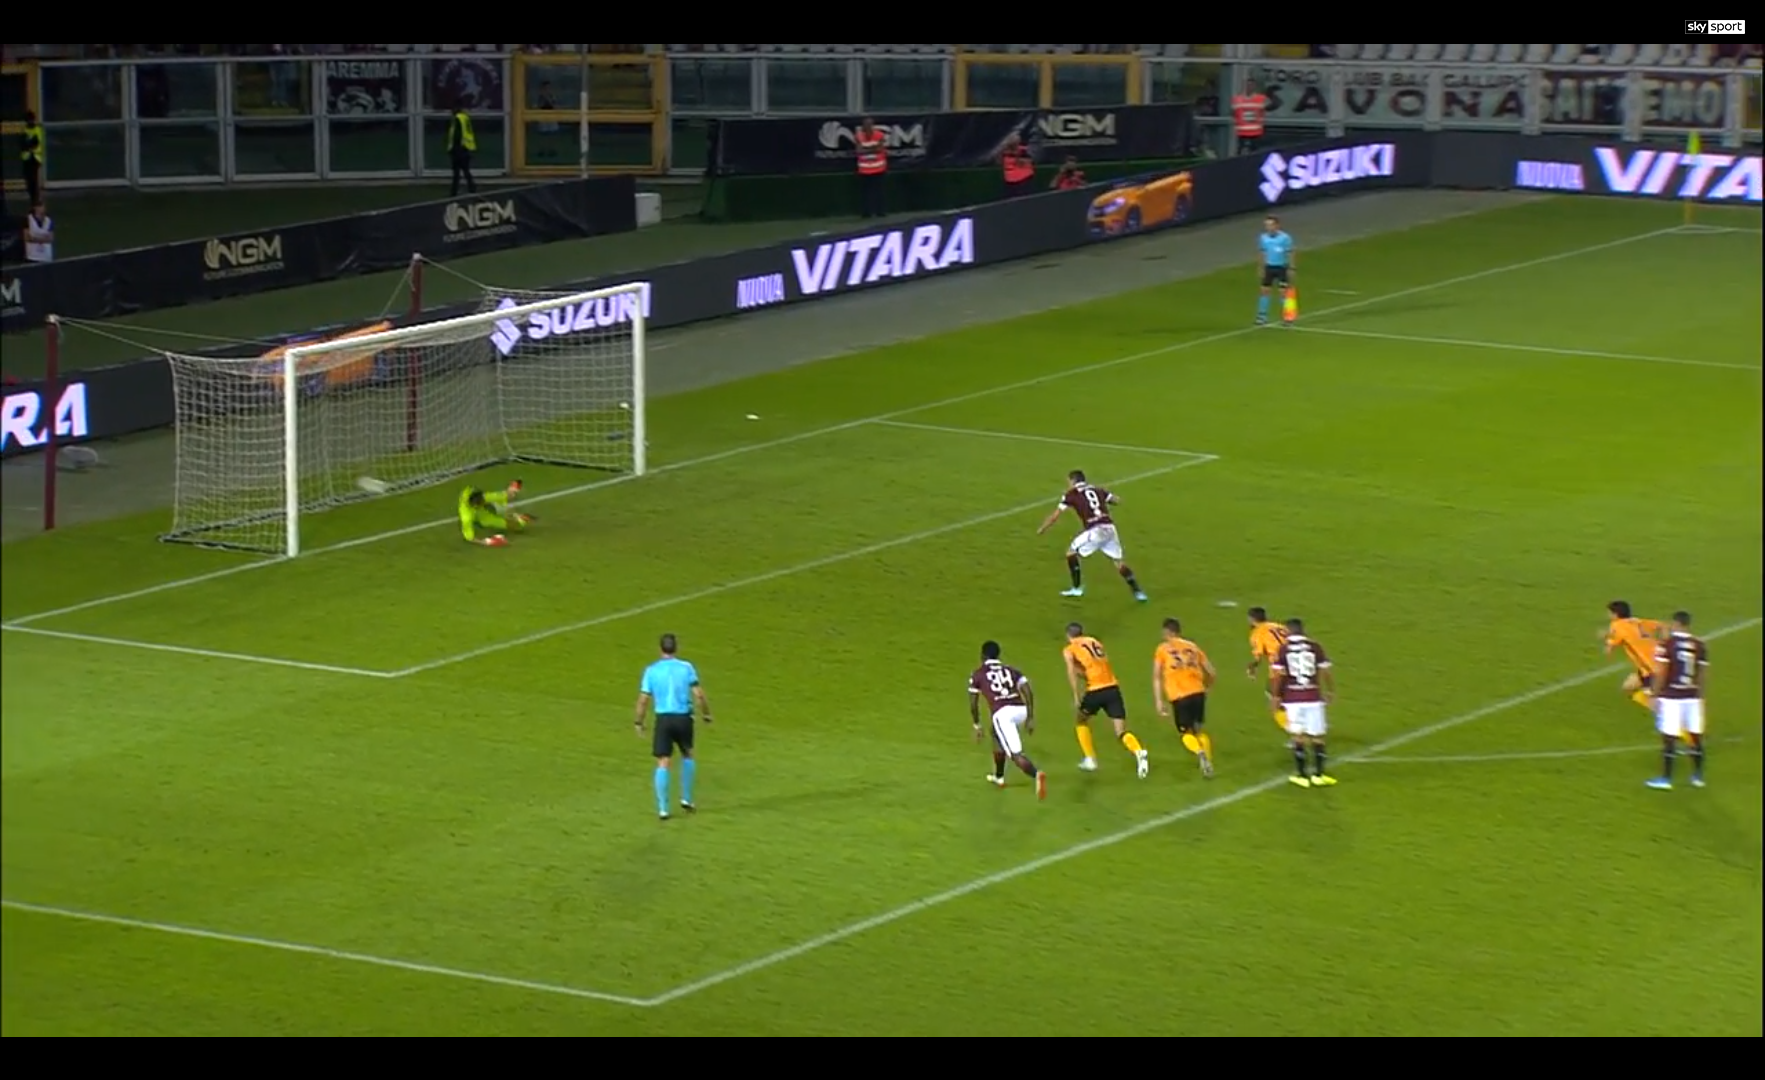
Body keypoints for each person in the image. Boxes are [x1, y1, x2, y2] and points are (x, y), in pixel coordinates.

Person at [635, 633, 714, 820]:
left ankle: (663, 809)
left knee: (663, 761)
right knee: (688, 754)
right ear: (676, 648)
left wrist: (639, 721)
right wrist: (706, 713)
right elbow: (699, 694)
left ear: (660, 649)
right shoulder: (686, 667)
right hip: (683, 718)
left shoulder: (651, 671)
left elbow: (643, 700)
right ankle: (687, 798)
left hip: (664, 719)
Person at [1036, 469, 1147, 601]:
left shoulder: (1071, 495)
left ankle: (1077, 589)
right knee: (1119, 563)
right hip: (1110, 528)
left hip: (1095, 531)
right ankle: (1138, 592)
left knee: (1071, 553)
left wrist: (1043, 528)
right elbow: (1116, 500)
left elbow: (1055, 516)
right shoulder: (1097, 489)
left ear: (1073, 481)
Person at [1062, 623, 1149, 777]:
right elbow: (1100, 665)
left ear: (1068, 636)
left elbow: (1071, 672)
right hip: (1113, 688)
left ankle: (1090, 759)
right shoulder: (1095, 642)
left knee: (1081, 721)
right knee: (1121, 731)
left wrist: (1076, 695)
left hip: (1095, 690)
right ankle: (1138, 751)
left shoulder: (1070, 649)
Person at [968, 640, 1048, 799]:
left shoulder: (978, 674)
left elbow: (973, 703)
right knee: (995, 733)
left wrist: (976, 725)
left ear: (982, 656)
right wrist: (1030, 716)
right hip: (1021, 709)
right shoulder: (1012, 670)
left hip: (1003, 714)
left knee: (1015, 754)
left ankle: (1037, 774)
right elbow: (1027, 690)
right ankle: (999, 777)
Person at [1271, 618, 1336, 787]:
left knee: (1298, 736)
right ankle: (1319, 775)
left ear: (1288, 631)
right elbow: (1325, 671)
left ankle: (1302, 776)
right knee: (1318, 736)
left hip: (1293, 699)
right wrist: (1330, 690)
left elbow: (1278, 675)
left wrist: (1276, 696)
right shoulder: (1315, 646)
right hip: (1313, 697)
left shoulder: (1283, 649)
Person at [1648, 611, 1708, 790]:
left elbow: (1662, 672)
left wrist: (1654, 694)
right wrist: (1700, 696)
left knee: (1669, 738)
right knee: (1695, 737)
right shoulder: (1700, 645)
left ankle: (1666, 779)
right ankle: (1698, 777)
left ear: (1676, 624)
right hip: (1692, 697)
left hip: (1671, 697)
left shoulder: (1667, 645)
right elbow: (1702, 674)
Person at [1153, 618, 1216, 777]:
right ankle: (1207, 763)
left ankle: (1200, 753)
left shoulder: (1162, 649)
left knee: (1186, 733)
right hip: (1198, 692)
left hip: (1179, 695)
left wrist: (1159, 701)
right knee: (1198, 730)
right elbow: (1211, 672)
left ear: (1167, 632)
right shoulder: (1193, 647)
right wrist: (1206, 687)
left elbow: (1157, 676)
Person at [1603, 600, 1666, 714]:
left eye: (1609, 613)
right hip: (1660, 661)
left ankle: (1670, 716)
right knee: (1627, 688)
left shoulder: (1616, 625)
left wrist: (1608, 648)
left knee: (1653, 702)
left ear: (1615, 614)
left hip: (1650, 669)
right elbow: (1661, 625)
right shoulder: (1637, 621)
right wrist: (1663, 642)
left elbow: (1610, 646)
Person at [1243, 607, 1289, 731]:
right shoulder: (1280, 626)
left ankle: (1291, 727)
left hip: (1279, 667)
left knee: (1274, 697)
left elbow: (1258, 656)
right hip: (1295, 662)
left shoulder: (1257, 633)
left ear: (1251, 619)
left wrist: (1252, 667)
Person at [458, 479, 532, 546]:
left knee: (504, 503)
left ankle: (515, 517)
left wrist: (511, 491)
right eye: (480, 504)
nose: (482, 504)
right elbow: (470, 538)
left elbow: (503, 496)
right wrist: (488, 542)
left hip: (478, 504)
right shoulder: (466, 517)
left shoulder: (485, 497)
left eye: (482, 502)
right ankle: (479, 522)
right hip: (480, 516)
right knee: (489, 521)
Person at [1256, 215, 1295, 327]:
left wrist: (1292, 268)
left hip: (1282, 268)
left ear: (1277, 225)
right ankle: (1262, 317)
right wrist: (1261, 267)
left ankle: (1288, 317)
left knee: (1284, 292)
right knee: (1264, 291)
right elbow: (1262, 253)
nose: (1269, 227)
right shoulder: (1263, 238)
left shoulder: (1285, 238)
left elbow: (1290, 253)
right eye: (1267, 225)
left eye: (1271, 225)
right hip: (1269, 267)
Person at [854, 116, 888, 219]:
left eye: (869, 124)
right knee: (865, 192)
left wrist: (866, 149)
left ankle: (880, 212)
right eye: (865, 124)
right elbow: (858, 151)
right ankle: (866, 213)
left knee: (879, 191)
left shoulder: (879, 135)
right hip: (864, 169)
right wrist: (873, 149)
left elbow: (880, 149)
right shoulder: (859, 136)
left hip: (879, 167)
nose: (867, 126)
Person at [446, 99, 477, 196]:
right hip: (466, 147)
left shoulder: (457, 118)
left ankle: (454, 191)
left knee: (457, 172)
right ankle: (471, 188)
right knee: (465, 170)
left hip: (459, 148)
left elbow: (457, 135)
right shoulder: (465, 117)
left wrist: (453, 149)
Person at [1231, 80, 1268, 152]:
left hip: (1256, 132)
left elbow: (1272, 105)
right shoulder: (1236, 99)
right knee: (1241, 152)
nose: (1249, 87)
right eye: (1248, 85)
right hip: (1241, 133)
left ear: (1255, 87)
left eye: (1251, 85)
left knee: (1255, 153)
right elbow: (1232, 113)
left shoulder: (1261, 99)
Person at [20, 111, 45, 207]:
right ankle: (33, 198)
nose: (30, 122)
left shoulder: (38, 130)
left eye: (31, 120)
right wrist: (29, 144)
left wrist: (29, 143)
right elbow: (23, 144)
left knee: (34, 180)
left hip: (35, 158)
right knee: (29, 180)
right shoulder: (24, 130)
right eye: (28, 120)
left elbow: (36, 143)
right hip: (26, 158)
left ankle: (36, 200)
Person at [1000, 134, 1035, 198]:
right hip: (1009, 181)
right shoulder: (1004, 151)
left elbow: (1024, 162)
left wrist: (1016, 154)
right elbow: (999, 161)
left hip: (1023, 180)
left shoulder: (1023, 150)